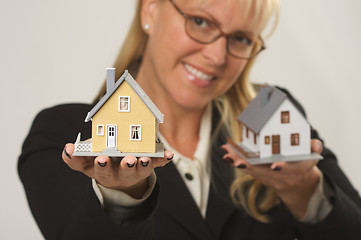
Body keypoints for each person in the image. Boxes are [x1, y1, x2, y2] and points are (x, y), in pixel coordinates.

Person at [18, 0, 361, 239]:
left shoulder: (269, 112)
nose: (216, 56)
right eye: (200, 21)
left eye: (240, 38)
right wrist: (124, 198)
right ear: (150, 8)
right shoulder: (63, 133)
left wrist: (305, 191)